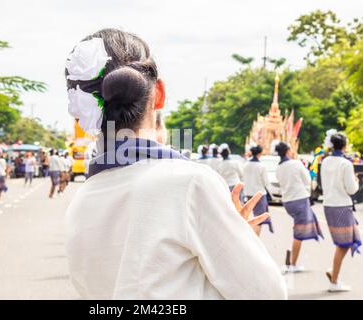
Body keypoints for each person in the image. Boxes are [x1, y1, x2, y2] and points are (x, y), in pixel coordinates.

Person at [64, 29, 286, 299]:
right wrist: (242, 239)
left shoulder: (83, 198)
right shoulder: (189, 183)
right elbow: (267, 294)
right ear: (158, 93)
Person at [321, 133, 361, 292]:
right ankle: (334, 280)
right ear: (344, 146)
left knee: (346, 241)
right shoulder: (345, 164)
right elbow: (351, 189)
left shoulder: (325, 161)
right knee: (343, 244)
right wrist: (357, 181)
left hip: (328, 205)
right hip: (341, 206)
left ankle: (334, 274)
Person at [275, 141, 323, 273]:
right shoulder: (295, 163)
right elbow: (307, 180)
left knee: (297, 229)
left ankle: (291, 260)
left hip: (287, 202)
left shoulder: (279, 167)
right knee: (299, 233)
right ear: (288, 151)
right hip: (299, 200)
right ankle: (292, 264)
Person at [243, 145, 273, 236]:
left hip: (248, 193)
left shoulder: (245, 165)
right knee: (258, 219)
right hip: (259, 195)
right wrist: (271, 194)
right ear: (260, 154)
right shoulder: (261, 166)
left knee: (248, 217)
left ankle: (249, 237)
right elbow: (266, 182)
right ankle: (255, 239)